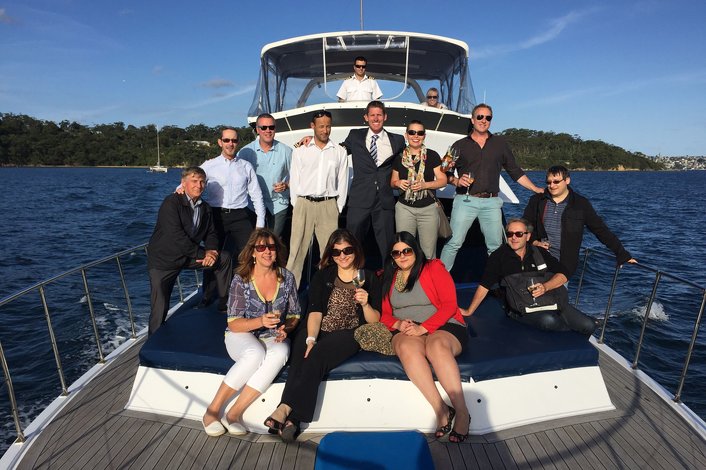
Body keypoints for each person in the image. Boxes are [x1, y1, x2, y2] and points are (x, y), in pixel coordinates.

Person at [265, 229, 382, 442]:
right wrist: (311, 338)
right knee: (301, 354)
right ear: (331, 254)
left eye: (347, 250)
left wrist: (366, 304)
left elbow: (374, 321)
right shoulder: (323, 276)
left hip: (349, 333)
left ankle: (284, 408)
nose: (342, 256)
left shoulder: (369, 278)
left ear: (356, 250)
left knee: (316, 356)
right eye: (336, 252)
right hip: (318, 327)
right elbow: (315, 311)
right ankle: (293, 422)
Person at [202, 228, 300, 436]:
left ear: (277, 251)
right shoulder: (241, 280)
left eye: (271, 247)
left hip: (271, 334)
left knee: (282, 351)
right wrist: (260, 321)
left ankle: (234, 414)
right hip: (240, 334)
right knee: (255, 353)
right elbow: (234, 323)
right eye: (261, 248)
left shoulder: (287, 278)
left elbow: (294, 314)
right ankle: (212, 411)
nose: (267, 251)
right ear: (253, 252)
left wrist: (288, 328)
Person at [380, 231, 470, 442]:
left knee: (436, 346)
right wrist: (398, 324)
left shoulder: (433, 268)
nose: (402, 256)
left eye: (407, 251)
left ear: (416, 250)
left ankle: (462, 412)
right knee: (406, 348)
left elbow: (449, 305)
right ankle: (441, 409)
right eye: (396, 253)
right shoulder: (387, 276)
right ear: (392, 257)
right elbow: (384, 314)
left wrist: (424, 328)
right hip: (408, 329)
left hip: (444, 324)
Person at [440, 103, 544, 270]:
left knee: (495, 247)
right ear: (472, 120)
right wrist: (456, 181)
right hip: (465, 200)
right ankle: (439, 279)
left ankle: (497, 281)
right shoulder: (459, 145)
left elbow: (515, 171)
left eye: (488, 117)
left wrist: (536, 189)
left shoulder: (500, 144)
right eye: (480, 117)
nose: (484, 120)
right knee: (453, 243)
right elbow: (443, 170)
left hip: (491, 202)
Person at [462, 218, 597, 335]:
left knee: (589, 325)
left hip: (553, 302)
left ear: (528, 236)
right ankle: (569, 340)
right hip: (522, 308)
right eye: (510, 234)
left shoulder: (540, 252)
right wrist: (469, 311)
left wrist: (545, 287)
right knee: (549, 321)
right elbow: (484, 285)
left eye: (519, 234)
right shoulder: (498, 257)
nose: (514, 238)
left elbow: (564, 274)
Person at [147, 167, 231, 335]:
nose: (198, 185)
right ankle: (153, 341)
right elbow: (176, 237)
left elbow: (211, 233)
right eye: (194, 181)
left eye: (202, 182)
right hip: (165, 261)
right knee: (159, 307)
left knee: (224, 258)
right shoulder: (171, 203)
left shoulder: (205, 208)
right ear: (183, 183)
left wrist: (212, 251)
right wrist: (202, 254)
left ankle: (224, 305)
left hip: (189, 257)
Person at [523, 165, 637, 279]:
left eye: (556, 181)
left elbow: (600, 230)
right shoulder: (537, 200)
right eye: (548, 182)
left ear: (567, 180)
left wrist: (621, 253)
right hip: (537, 259)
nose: (552, 185)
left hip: (563, 266)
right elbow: (525, 225)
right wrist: (535, 242)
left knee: (558, 290)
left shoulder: (580, 204)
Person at [196, 127, 266, 309]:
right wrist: (180, 190)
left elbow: (257, 196)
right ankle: (207, 296)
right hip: (215, 215)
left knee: (247, 256)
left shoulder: (245, 166)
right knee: (212, 254)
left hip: (240, 215)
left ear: (237, 143)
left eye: (234, 140)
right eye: (226, 140)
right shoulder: (209, 165)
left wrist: (259, 225)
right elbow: (192, 182)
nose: (230, 144)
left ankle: (244, 294)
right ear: (220, 142)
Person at [287, 110, 349, 287]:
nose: (325, 130)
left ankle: (328, 291)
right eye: (321, 126)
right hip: (303, 204)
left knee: (329, 253)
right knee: (296, 251)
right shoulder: (300, 150)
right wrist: (297, 204)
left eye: (328, 126)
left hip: (328, 205)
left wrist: (338, 207)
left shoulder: (339, 151)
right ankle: (290, 293)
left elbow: (343, 182)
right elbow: (295, 179)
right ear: (312, 126)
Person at [343, 100, 406, 262]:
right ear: (366, 117)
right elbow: (337, 151)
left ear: (385, 117)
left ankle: (389, 276)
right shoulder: (355, 136)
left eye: (379, 115)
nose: (376, 118)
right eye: (372, 115)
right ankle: (350, 275)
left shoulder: (398, 140)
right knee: (351, 244)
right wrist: (313, 139)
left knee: (387, 247)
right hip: (359, 199)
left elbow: (411, 159)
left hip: (384, 201)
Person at [390, 120, 447, 258]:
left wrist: (424, 185)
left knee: (428, 253)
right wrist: (398, 183)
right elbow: (392, 182)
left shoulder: (432, 155)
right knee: (404, 250)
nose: (416, 136)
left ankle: (427, 273)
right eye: (412, 132)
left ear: (424, 136)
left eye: (420, 133)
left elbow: (443, 180)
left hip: (428, 209)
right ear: (406, 135)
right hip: (404, 209)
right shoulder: (399, 157)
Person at [238, 114, 292, 238]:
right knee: (254, 241)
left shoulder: (286, 151)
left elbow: (297, 175)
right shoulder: (245, 152)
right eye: (264, 127)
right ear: (257, 130)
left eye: (271, 127)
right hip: (253, 205)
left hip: (278, 203)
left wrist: (287, 185)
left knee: (274, 240)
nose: (268, 130)